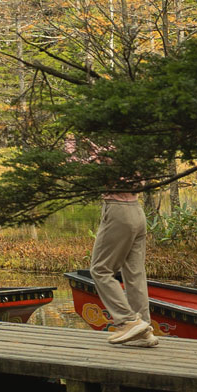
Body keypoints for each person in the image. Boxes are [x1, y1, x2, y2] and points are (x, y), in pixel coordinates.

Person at [82, 137, 157, 348]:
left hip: (118, 210)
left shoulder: (104, 142)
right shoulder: (134, 143)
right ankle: (144, 330)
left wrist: (74, 141)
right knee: (135, 273)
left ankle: (127, 321)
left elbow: (80, 167)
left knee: (100, 269)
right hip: (137, 210)